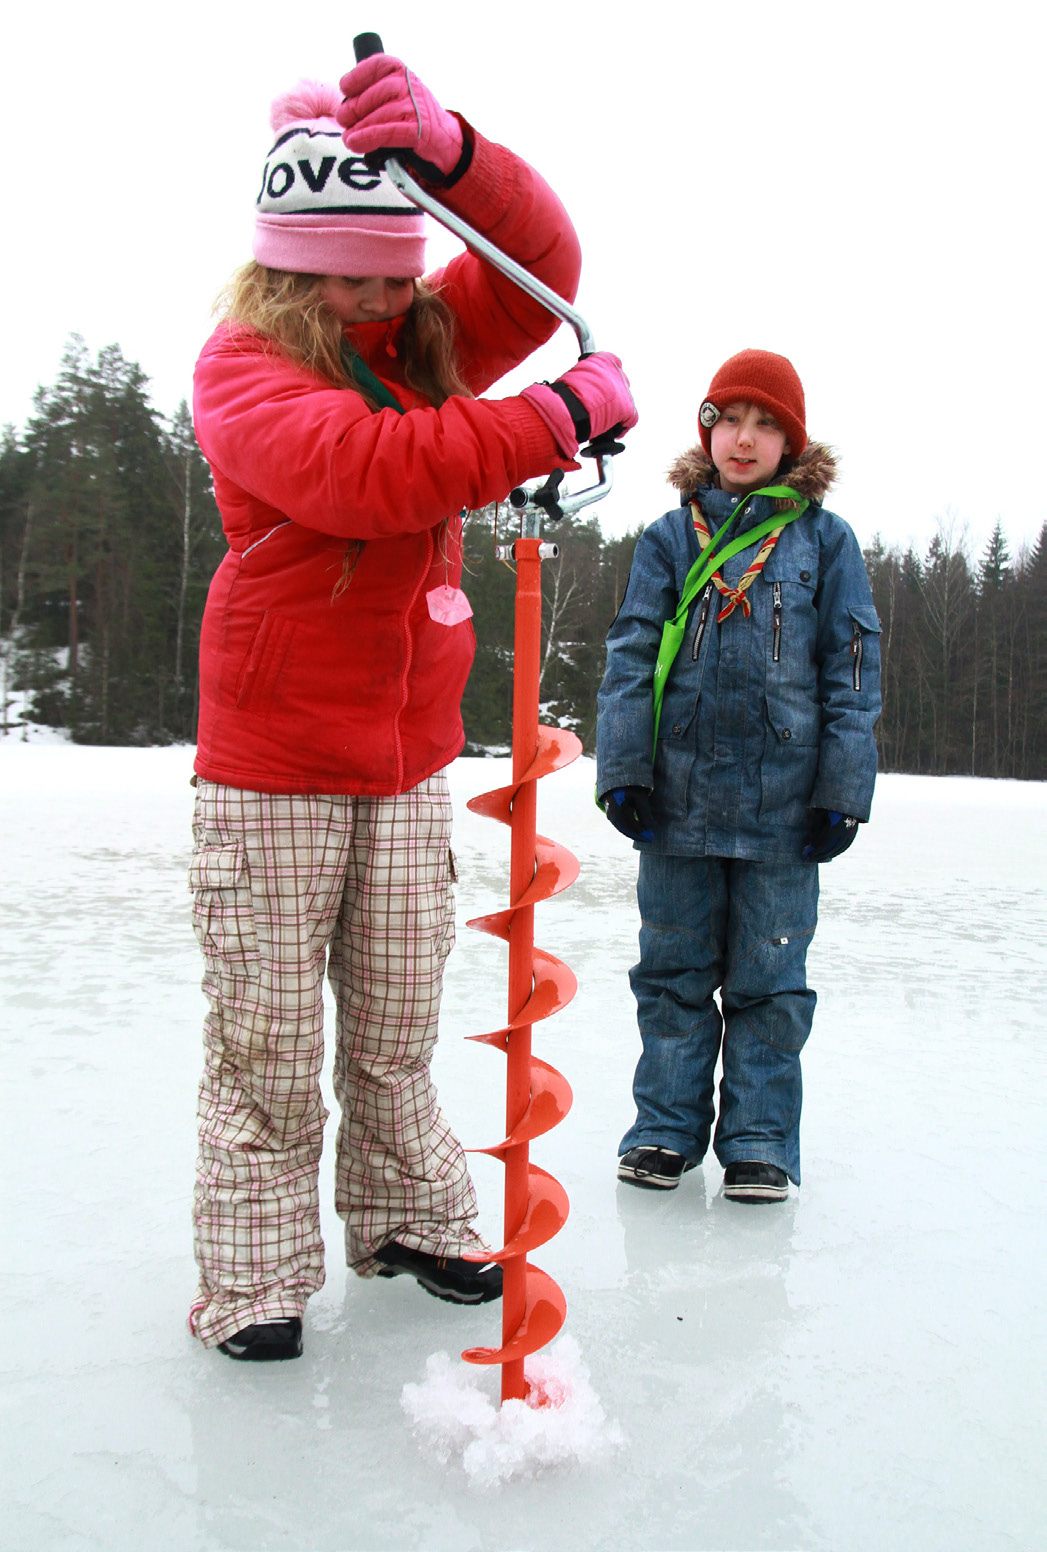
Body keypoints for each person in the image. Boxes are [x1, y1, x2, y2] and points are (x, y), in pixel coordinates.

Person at [187, 54, 637, 1361]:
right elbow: (368, 474)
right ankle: (256, 1281)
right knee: (269, 1043)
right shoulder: (246, 366)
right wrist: (550, 417)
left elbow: (537, 255)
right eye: (354, 274)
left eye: (399, 265)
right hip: (272, 762)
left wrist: (449, 157)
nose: (384, 293)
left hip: (403, 758)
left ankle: (403, 1218)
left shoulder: (424, 337)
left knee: (390, 1026)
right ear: (287, 265)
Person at [595, 350, 878, 1203]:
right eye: (728, 420)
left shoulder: (824, 541)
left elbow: (853, 670)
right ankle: (664, 1130)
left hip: (784, 809)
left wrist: (840, 790)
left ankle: (758, 1139)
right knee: (672, 973)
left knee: (769, 979)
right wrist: (623, 768)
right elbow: (630, 654)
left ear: (790, 441)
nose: (743, 439)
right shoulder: (670, 536)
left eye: (765, 424)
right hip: (675, 802)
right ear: (707, 433)